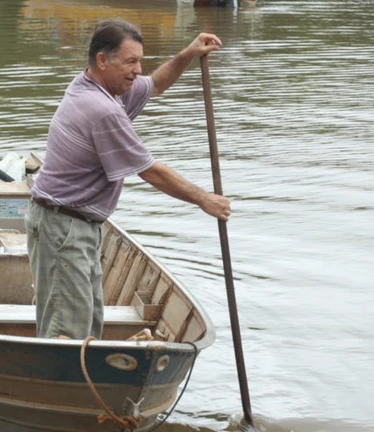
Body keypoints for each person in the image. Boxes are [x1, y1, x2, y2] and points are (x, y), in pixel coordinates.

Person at [27, 19, 230, 340]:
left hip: (73, 222)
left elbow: (156, 84)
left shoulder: (100, 86)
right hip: (64, 226)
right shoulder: (100, 109)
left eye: (140, 61)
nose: (137, 70)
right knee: (69, 329)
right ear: (102, 60)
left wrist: (188, 54)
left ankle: (79, 382)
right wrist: (205, 199)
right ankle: (63, 386)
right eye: (130, 62)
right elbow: (149, 170)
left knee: (84, 320)